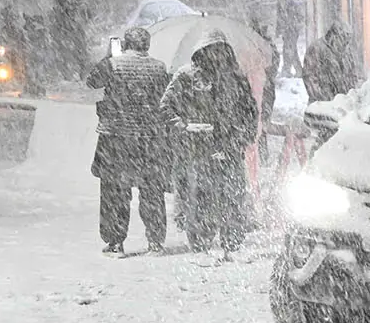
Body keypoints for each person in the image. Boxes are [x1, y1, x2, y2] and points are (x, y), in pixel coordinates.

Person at [162, 31, 259, 258]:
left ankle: (232, 244)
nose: (216, 55)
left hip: (230, 147)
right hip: (198, 149)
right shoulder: (186, 76)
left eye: (220, 49)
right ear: (202, 51)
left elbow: (250, 111)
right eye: (211, 49)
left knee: (232, 196)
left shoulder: (236, 77)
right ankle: (200, 245)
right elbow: (166, 107)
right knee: (201, 197)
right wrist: (184, 127)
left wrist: (243, 136)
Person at [84, 26, 171, 255]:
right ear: (147, 45)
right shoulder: (159, 68)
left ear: (126, 43)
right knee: (152, 190)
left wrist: (108, 56)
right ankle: (155, 240)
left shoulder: (113, 64)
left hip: (116, 137)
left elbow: (92, 81)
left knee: (115, 191)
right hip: (150, 138)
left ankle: (115, 242)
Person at [301, 25, 359, 104]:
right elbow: (309, 78)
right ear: (334, 36)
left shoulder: (347, 52)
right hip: (321, 105)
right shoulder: (316, 49)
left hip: (344, 105)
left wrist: (351, 95)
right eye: (344, 38)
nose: (346, 43)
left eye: (348, 39)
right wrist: (327, 99)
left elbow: (353, 75)